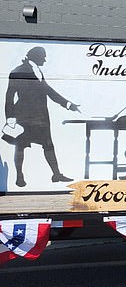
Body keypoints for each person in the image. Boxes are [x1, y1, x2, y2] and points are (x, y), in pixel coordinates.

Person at [4, 46, 80, 187]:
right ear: (35, 56)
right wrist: (10, 119)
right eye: (43, 56)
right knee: (20, 147)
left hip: (40, 117)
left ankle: (56, 174)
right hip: (24, 117)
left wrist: (68, 104)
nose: (45, 59)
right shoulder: (17, 72)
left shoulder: (37, 71)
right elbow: (9, 97)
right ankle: (19, 176)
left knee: (48, 145)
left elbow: (48, 91)